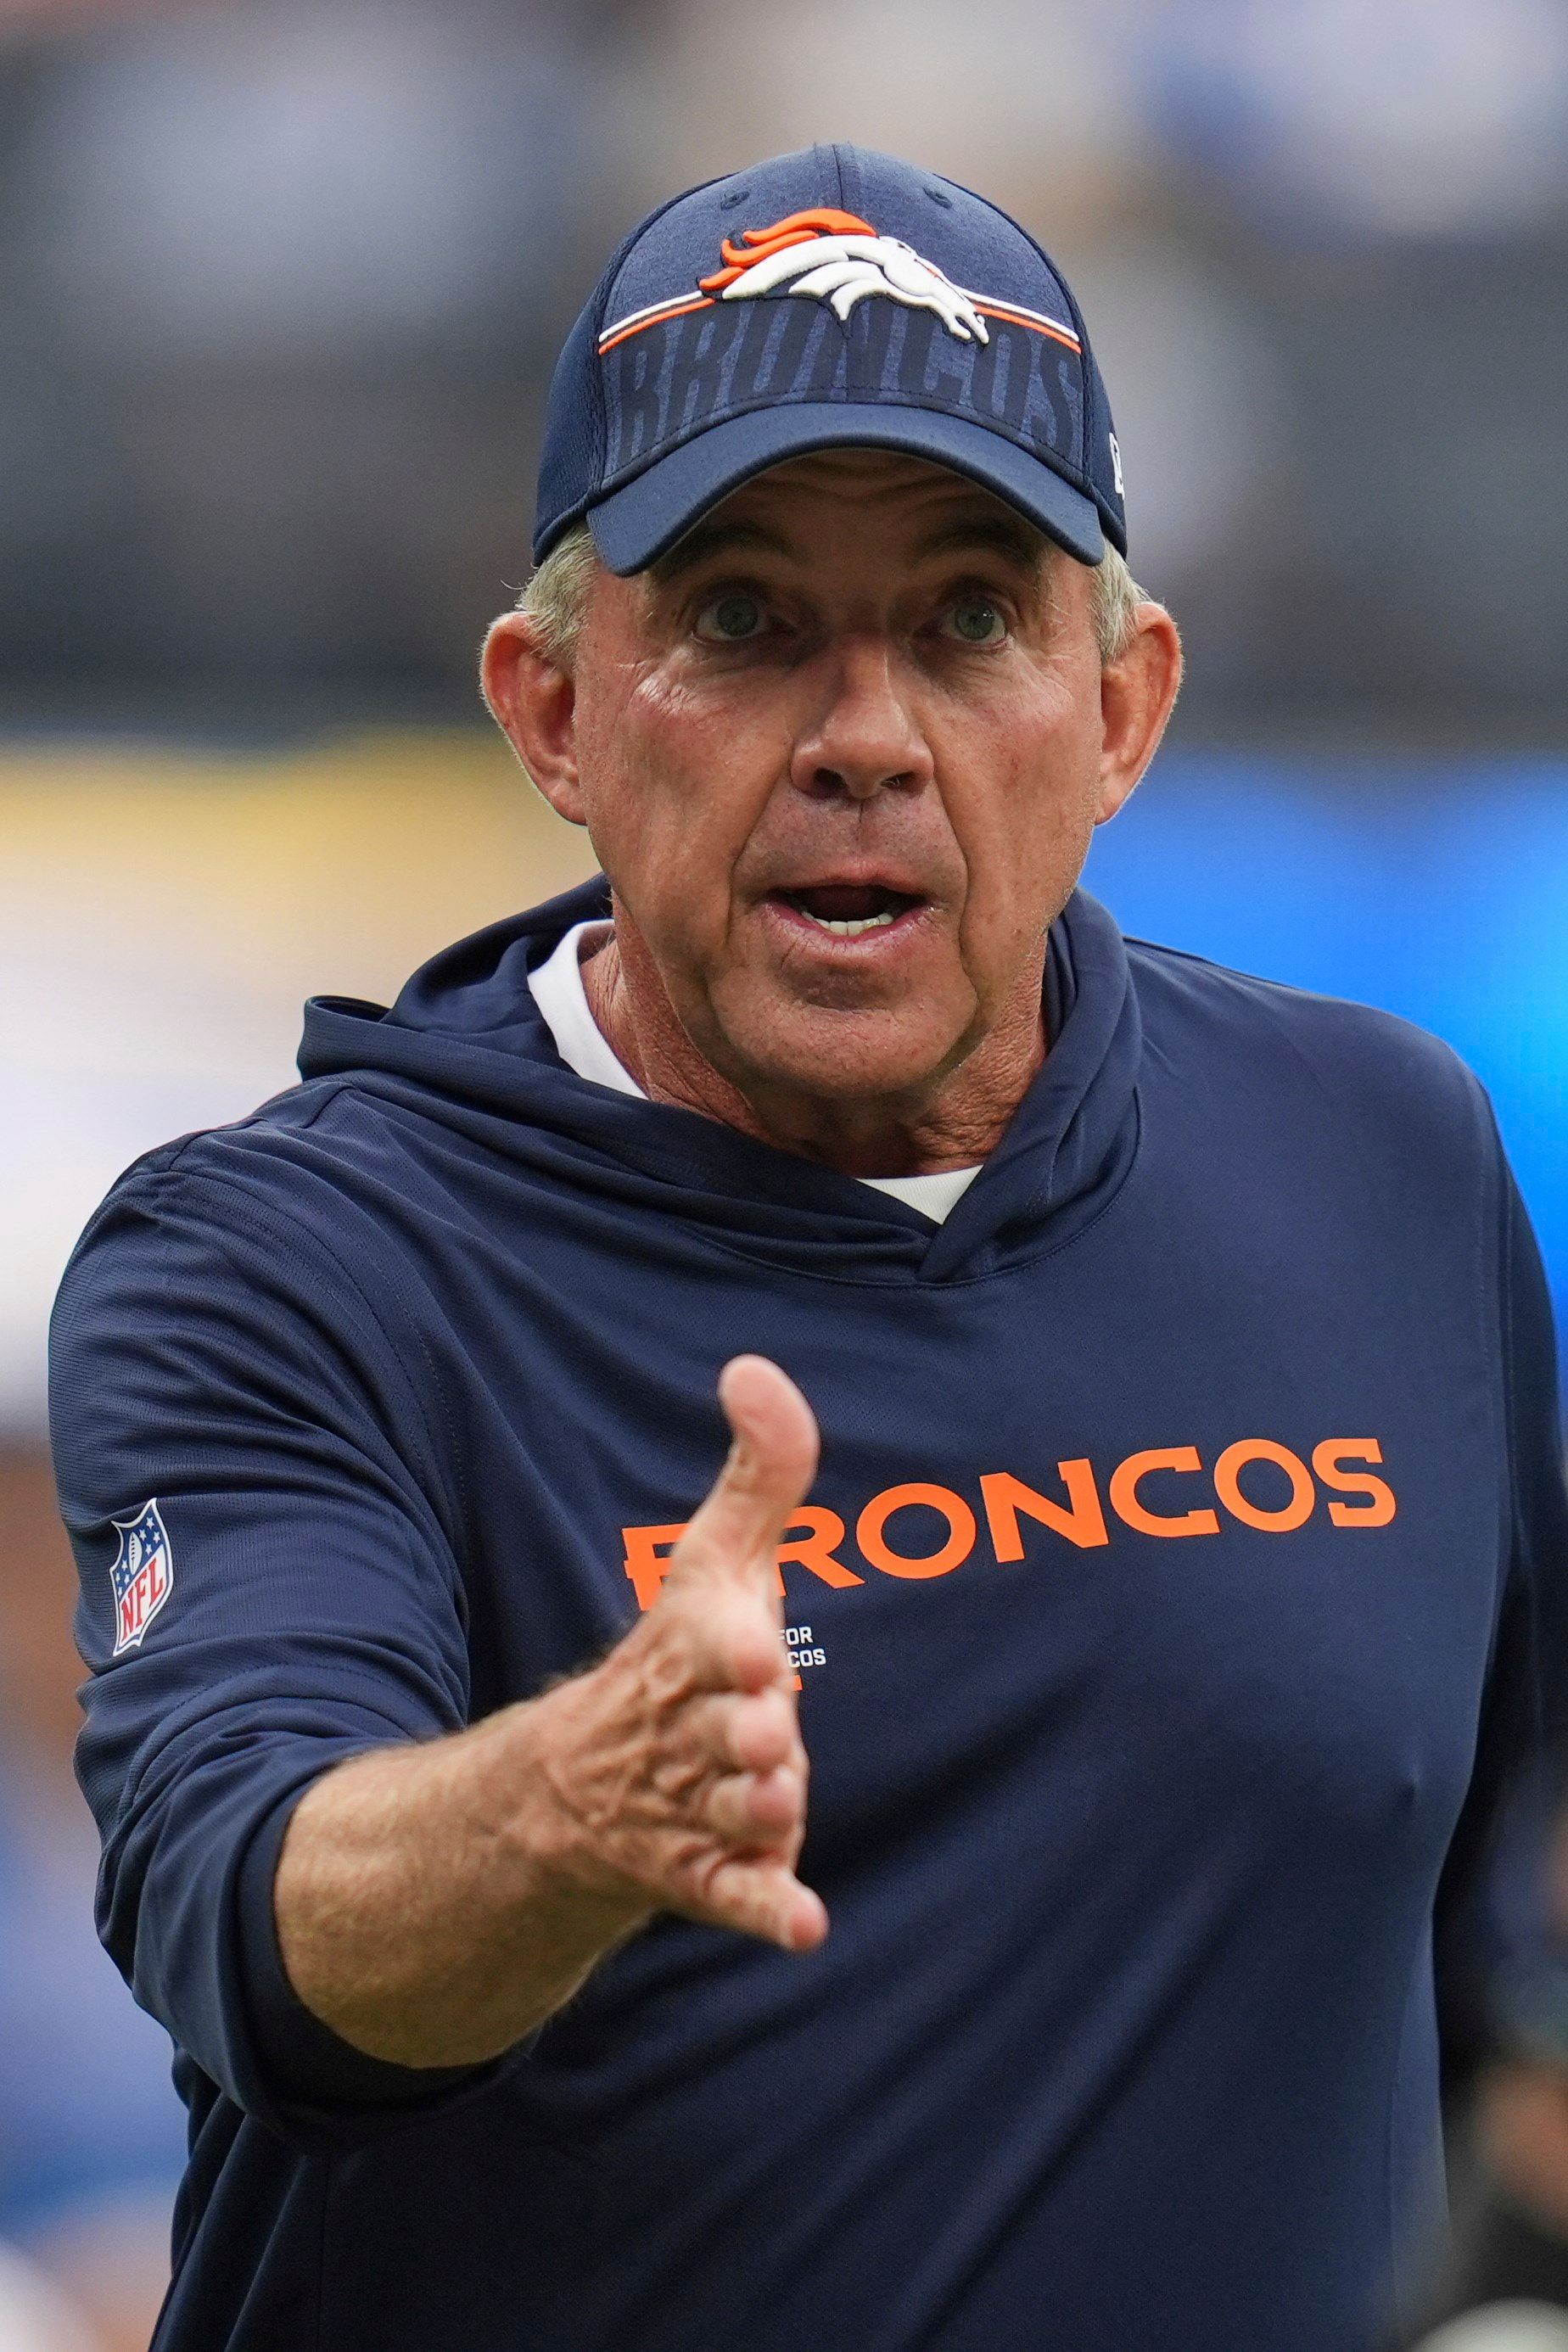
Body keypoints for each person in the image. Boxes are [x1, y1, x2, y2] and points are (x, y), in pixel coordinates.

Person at [50, 143, 1568, 2352]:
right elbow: (256, 1913)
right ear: (554, 712)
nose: (866, 736)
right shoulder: (287, 1266)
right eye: (746, 621)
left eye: (967, 617)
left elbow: (1493, 1907)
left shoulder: (1380, 1154)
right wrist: (573, 1805)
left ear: (1125, 704)